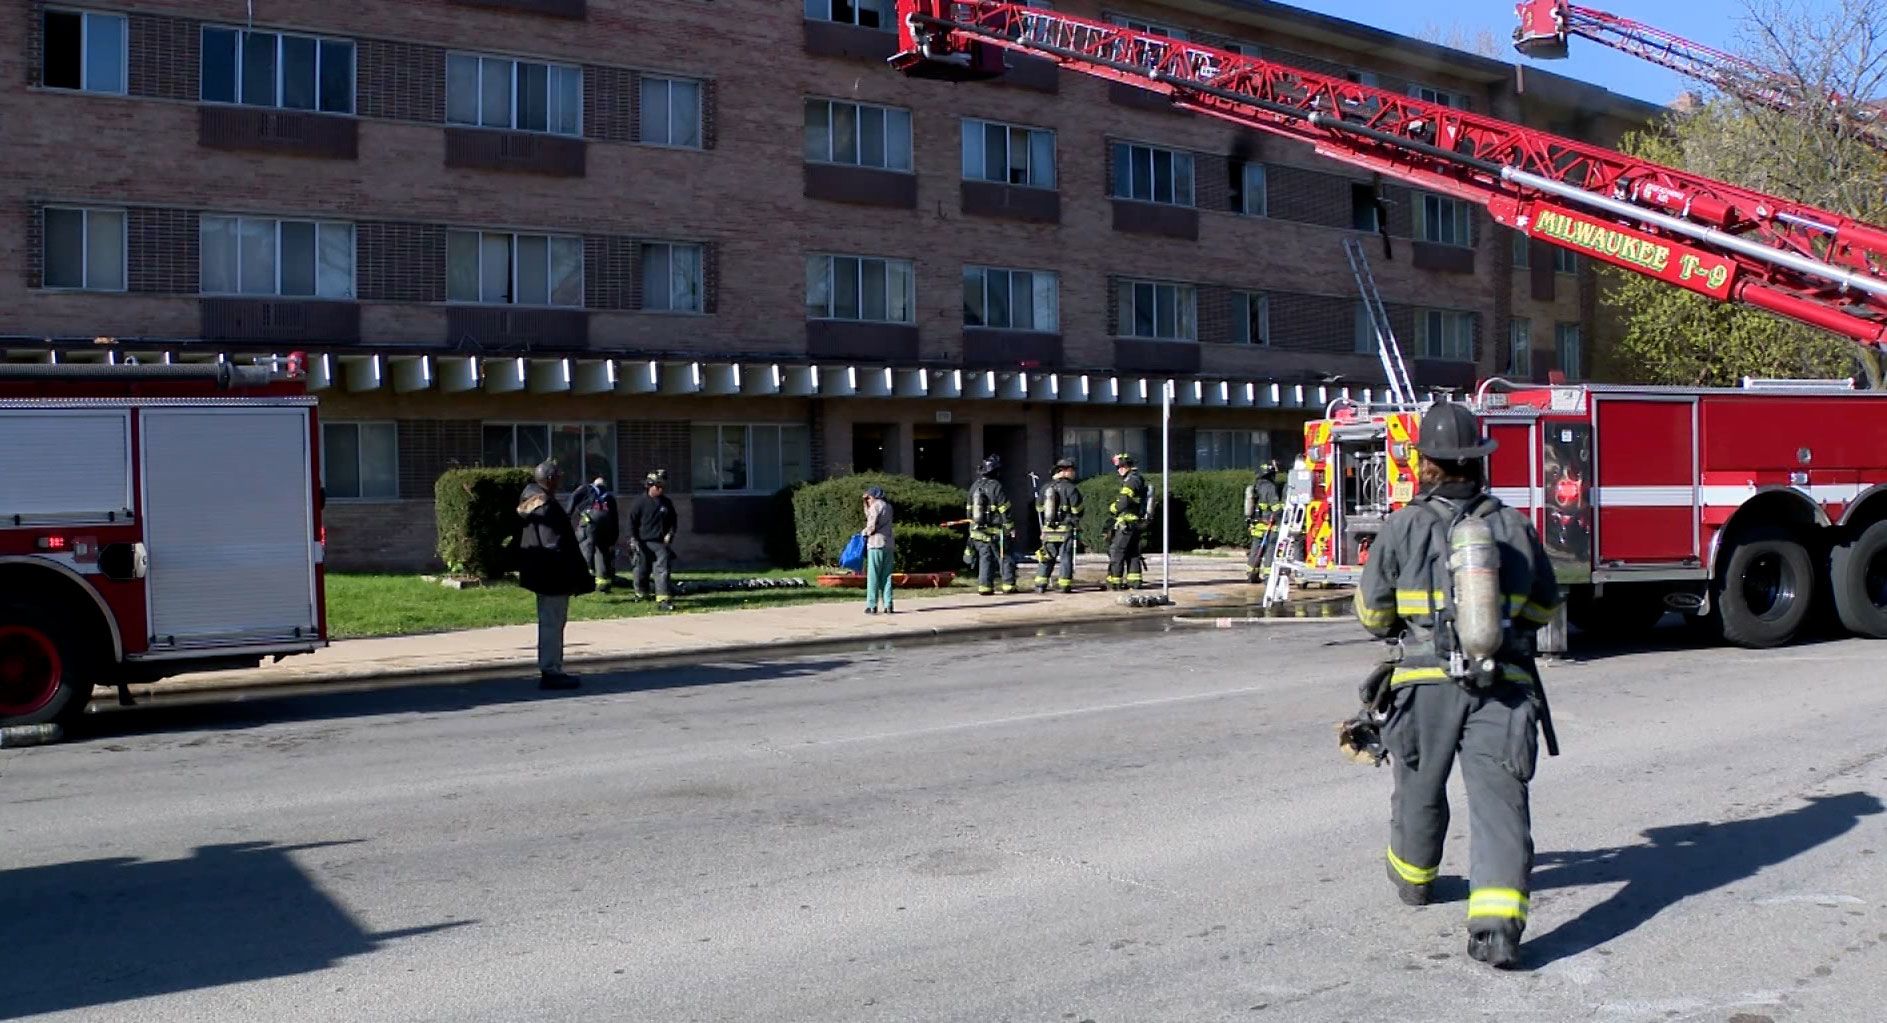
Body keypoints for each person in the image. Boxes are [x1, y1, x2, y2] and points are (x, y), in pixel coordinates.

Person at [1353, 402, 1562, 970]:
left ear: (1426, 463)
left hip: (1424, 686)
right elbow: (1545, 605)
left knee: (1418, 789)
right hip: (1504, 683)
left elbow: (1372, 615)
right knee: (1501, 806)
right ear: (1479, 462)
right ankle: (1497, 932)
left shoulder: (1402, 524)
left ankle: (1415, 881)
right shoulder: (1512, 525)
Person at [515, 460, 593, 690]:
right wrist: (573, 572)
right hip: (553, 576)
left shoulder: (532, 501)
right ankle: (551, 671)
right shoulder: (546, 506)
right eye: (558, 475)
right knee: (552, 623)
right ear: (549, 479)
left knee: (550, 622)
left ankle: (552, 667)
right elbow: (554, 544)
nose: (561, 478)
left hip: (543, 574)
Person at [626, 469, 679, 611]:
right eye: (657, 487)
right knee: (641, 570)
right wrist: (634, 540)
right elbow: (632, 522)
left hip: (660, 543)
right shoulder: (639, 503)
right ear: (649, 486)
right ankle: (641, 593)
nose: (660, 490)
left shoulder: (666, 503)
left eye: (662, 487)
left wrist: (670, 534)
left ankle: (663, 599)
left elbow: (673, 522)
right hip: (642, 542)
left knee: (662, 570)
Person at [966, 454, 1018, 595]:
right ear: (995, 471)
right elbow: (1004, 509)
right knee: (1004, 557)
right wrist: (1010, 527)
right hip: (996, 532)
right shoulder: (996, 486)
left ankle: (985, 587)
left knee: (985, 558)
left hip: (978, 532)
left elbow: (969, 511)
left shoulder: (974, 486)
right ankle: (1008, 586)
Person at [1033, 458, 1083, 594]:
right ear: (1065, 471)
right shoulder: (1071, 488)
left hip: (1048, 530)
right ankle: (1064, 585)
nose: (1074, 473)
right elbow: (1077, 510)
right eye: (1072, 470)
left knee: (1047, 557)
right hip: (1065, 530)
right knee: (1066, 557)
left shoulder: (1045, 487)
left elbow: (1038, 508)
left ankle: (1040, 585)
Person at [568, 474, 620, 592]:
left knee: (584, 545)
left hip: (590, 520)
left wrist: (567, 514)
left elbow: (573, 497)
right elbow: (615, 520)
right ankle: (603, 584)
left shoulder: (585, 488)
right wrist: (613, 539)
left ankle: (583, 579)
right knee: (601, 550)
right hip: (606, 523)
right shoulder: (610, 498)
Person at [1105, 453, 1149, 590]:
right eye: (1118, 467)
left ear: (1127, 466)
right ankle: (1134, 582)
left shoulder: (1132, 480)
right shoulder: (1136, 479)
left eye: (1121, 466)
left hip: (1127, 523)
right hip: (1134, 523)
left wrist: (1113, 508)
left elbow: (1124, 501)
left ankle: (1115, 582)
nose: (1119, 470)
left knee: (1116, 551)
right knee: (1132, 552)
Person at [1245, 459, 1284, 584]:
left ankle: (1252, 574)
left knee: (1256, 548)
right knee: (1270, 549)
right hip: (1270, 523)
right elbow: (1276, 508)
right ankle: (1268, 576)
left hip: (1257, 523)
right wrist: (1283, 513)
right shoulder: (1270, 487)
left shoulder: (1256, 485)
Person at [860, 485, 896, 614]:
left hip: (876, 544)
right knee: (886, 576)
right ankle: (888, 604)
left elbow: (872, 526)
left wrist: (864, 533)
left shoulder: (875, 506)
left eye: (868, 497)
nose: (868, 500)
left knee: (873, 576)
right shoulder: (888, 506)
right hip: (889, 543)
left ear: (874, 496)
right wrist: (866, 505)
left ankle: (872, 605)